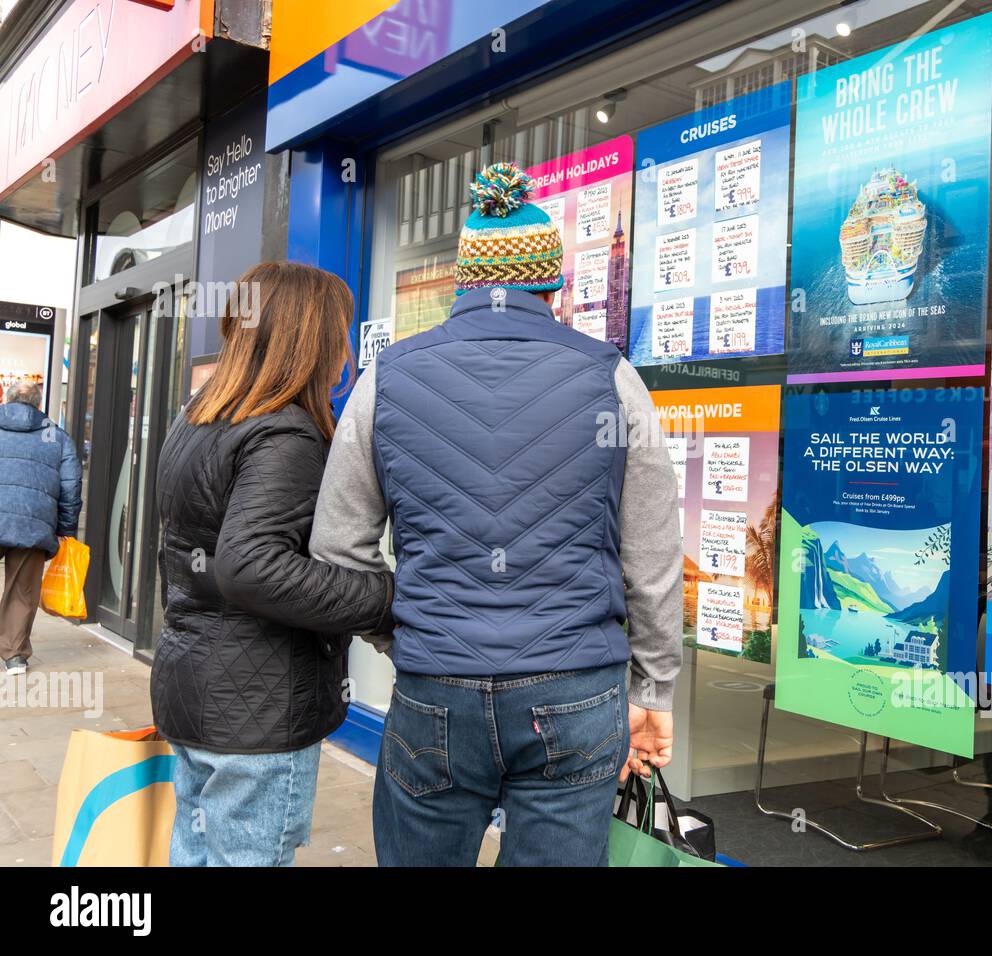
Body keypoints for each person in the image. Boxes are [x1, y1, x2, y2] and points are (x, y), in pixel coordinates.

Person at [311, 162, 683, 867]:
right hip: (575, 690)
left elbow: (337, 549)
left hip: (433, 692)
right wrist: (654, 687)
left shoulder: (385, 378)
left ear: (464, 282)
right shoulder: (612, 377)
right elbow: (653, 558)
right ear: (555, 285)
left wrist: (406, 633)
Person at [152, 261, 395, 867]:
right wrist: (386, 596)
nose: (346, 350)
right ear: (309, 341)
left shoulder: (199, 417)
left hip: (194, 687)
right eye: (340, 333)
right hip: (255, 707)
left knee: (196, 852)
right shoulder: (284, 432)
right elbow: (252, 566)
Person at [0, 382, 81, 675]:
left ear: (8, 400)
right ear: (37, 404)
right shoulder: (56, 436)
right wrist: (67, 531)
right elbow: (71, 487)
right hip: (33, 523)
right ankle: (14, 655)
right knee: (22, 589)